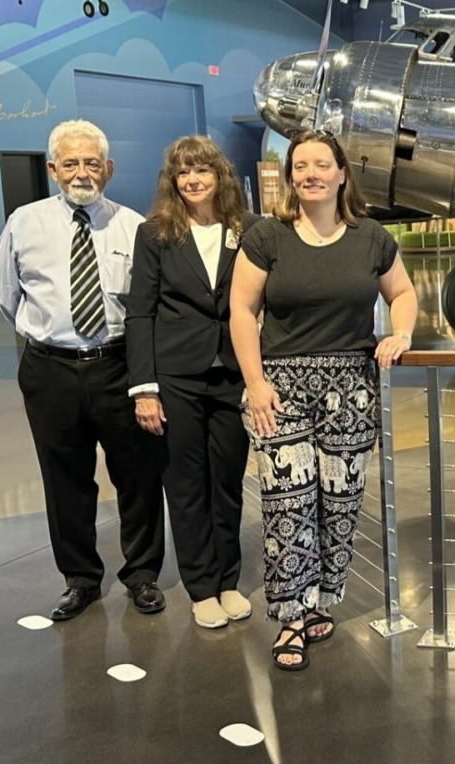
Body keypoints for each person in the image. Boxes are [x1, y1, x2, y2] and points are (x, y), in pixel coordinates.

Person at [229, 128, 417, 672]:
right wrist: (256, 382)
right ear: (290, 176)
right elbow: (243, 312)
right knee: (287, 506)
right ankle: (290, 614)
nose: (310, 173)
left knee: (339, 504)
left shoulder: (372, 238)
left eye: (321, 164)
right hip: (280, 389)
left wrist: (399, 333)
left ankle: (321, 599)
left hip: (351, 388)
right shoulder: (267, 236)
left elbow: (402, 292)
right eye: (300, 165)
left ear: (341, 174)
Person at [0, 119, 168, 622]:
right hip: (51, 370)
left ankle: (142, 575)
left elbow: (146, 307)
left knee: (137, 475)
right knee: (65, 479)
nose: (81, 172)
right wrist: (49, 337)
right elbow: (8, 299)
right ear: (52, 169)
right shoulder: (23, 223)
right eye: (70, 163)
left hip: (118, 367)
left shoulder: (134, 227)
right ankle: (80, 579)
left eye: (92, 162)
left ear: (109, 168)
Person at [127, 136, 258, 630]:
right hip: (175, 377)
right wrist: (145, 387)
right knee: (184, 486)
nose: (193, 179)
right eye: (183, 172)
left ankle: (228, 580)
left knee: (226, 482)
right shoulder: (155, 233)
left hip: (232, 372)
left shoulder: (248, 230)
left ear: (219, 175)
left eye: (202, 169)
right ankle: (201, 586)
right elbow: (140, 313)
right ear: (173, 181)